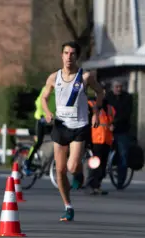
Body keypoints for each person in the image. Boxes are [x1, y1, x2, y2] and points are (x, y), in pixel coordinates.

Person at [39, 42, 104, 222]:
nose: (69, 57)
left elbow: (100, 92)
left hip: (80, 125)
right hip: (61, 125)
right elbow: (44, 97)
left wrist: (96, 112)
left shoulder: (85, 77)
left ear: (77, 57)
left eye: (73, 54)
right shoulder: (54, 77)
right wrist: (47, 112)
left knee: (71, 166)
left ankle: (78, 172)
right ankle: (68, 206)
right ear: (62, 56)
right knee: (60, 170)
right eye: (66, 53)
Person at [105, 80, 134, 186]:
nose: (119, 89)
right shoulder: (108, 97)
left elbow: (126, 113)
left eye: (120, 87)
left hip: (122, 130)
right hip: (108, 129)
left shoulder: (127, 97)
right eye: (116, 87)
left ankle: (121, 181)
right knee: (100, 152)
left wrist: (115, 124)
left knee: (123, 155)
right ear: (112, 87)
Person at [85, 98, 115, 195]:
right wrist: (87, 140)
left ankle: (97, 186)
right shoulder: (91, 104)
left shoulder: (110, 108)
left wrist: (113, 126)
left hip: (106, 140)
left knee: (102, 166)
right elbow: (87, 122)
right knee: (95, 165)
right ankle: (90, 185)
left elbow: (113, 121)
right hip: (95, 140)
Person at [23, 88, 55, 176]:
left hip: (52, 120)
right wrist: (43, 115)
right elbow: (39, 102)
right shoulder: (47, 88)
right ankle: (27, 162)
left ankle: (49, 165)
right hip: (42, 119)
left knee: (59, 140)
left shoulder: (61, 90)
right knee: (39, 141)